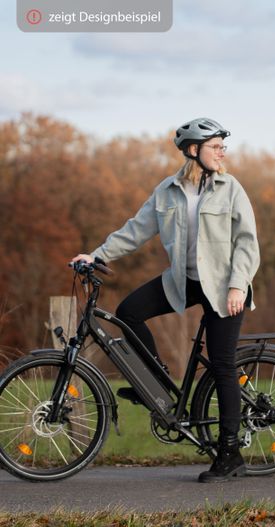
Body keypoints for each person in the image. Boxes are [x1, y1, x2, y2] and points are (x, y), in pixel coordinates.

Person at [72, 117, 260, 483]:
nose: (223, 152)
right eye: (215, 146)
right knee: (129, 312)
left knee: (222, 366)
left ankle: (230, 453)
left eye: (223, 146)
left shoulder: (231, 188)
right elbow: (136, 230)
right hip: (184, 281)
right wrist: (95, 255)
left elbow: (247, 242)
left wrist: (239, 285)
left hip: (224, 288)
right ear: (194, 151)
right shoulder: (168, 191)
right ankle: (154, 382)